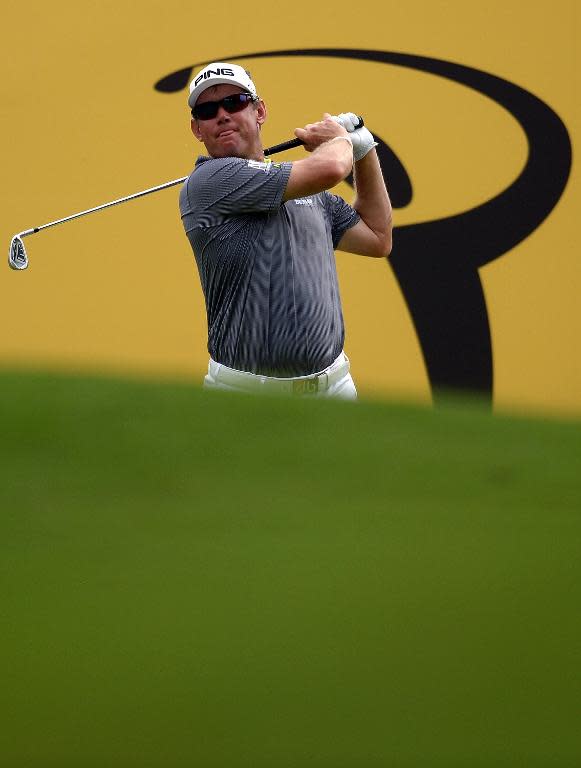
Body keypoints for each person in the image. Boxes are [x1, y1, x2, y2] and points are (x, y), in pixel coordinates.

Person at [179, 62, 392, 399]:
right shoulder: (208, 182)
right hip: (245, 393)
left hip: (334, 387)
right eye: (207, 110)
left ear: (259, 110)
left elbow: (378, 237)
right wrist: (340, 140)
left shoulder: (310, 193)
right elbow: (333, 166)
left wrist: (364, 150)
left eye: (234, 102)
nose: (222, 115)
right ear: (197, 129)